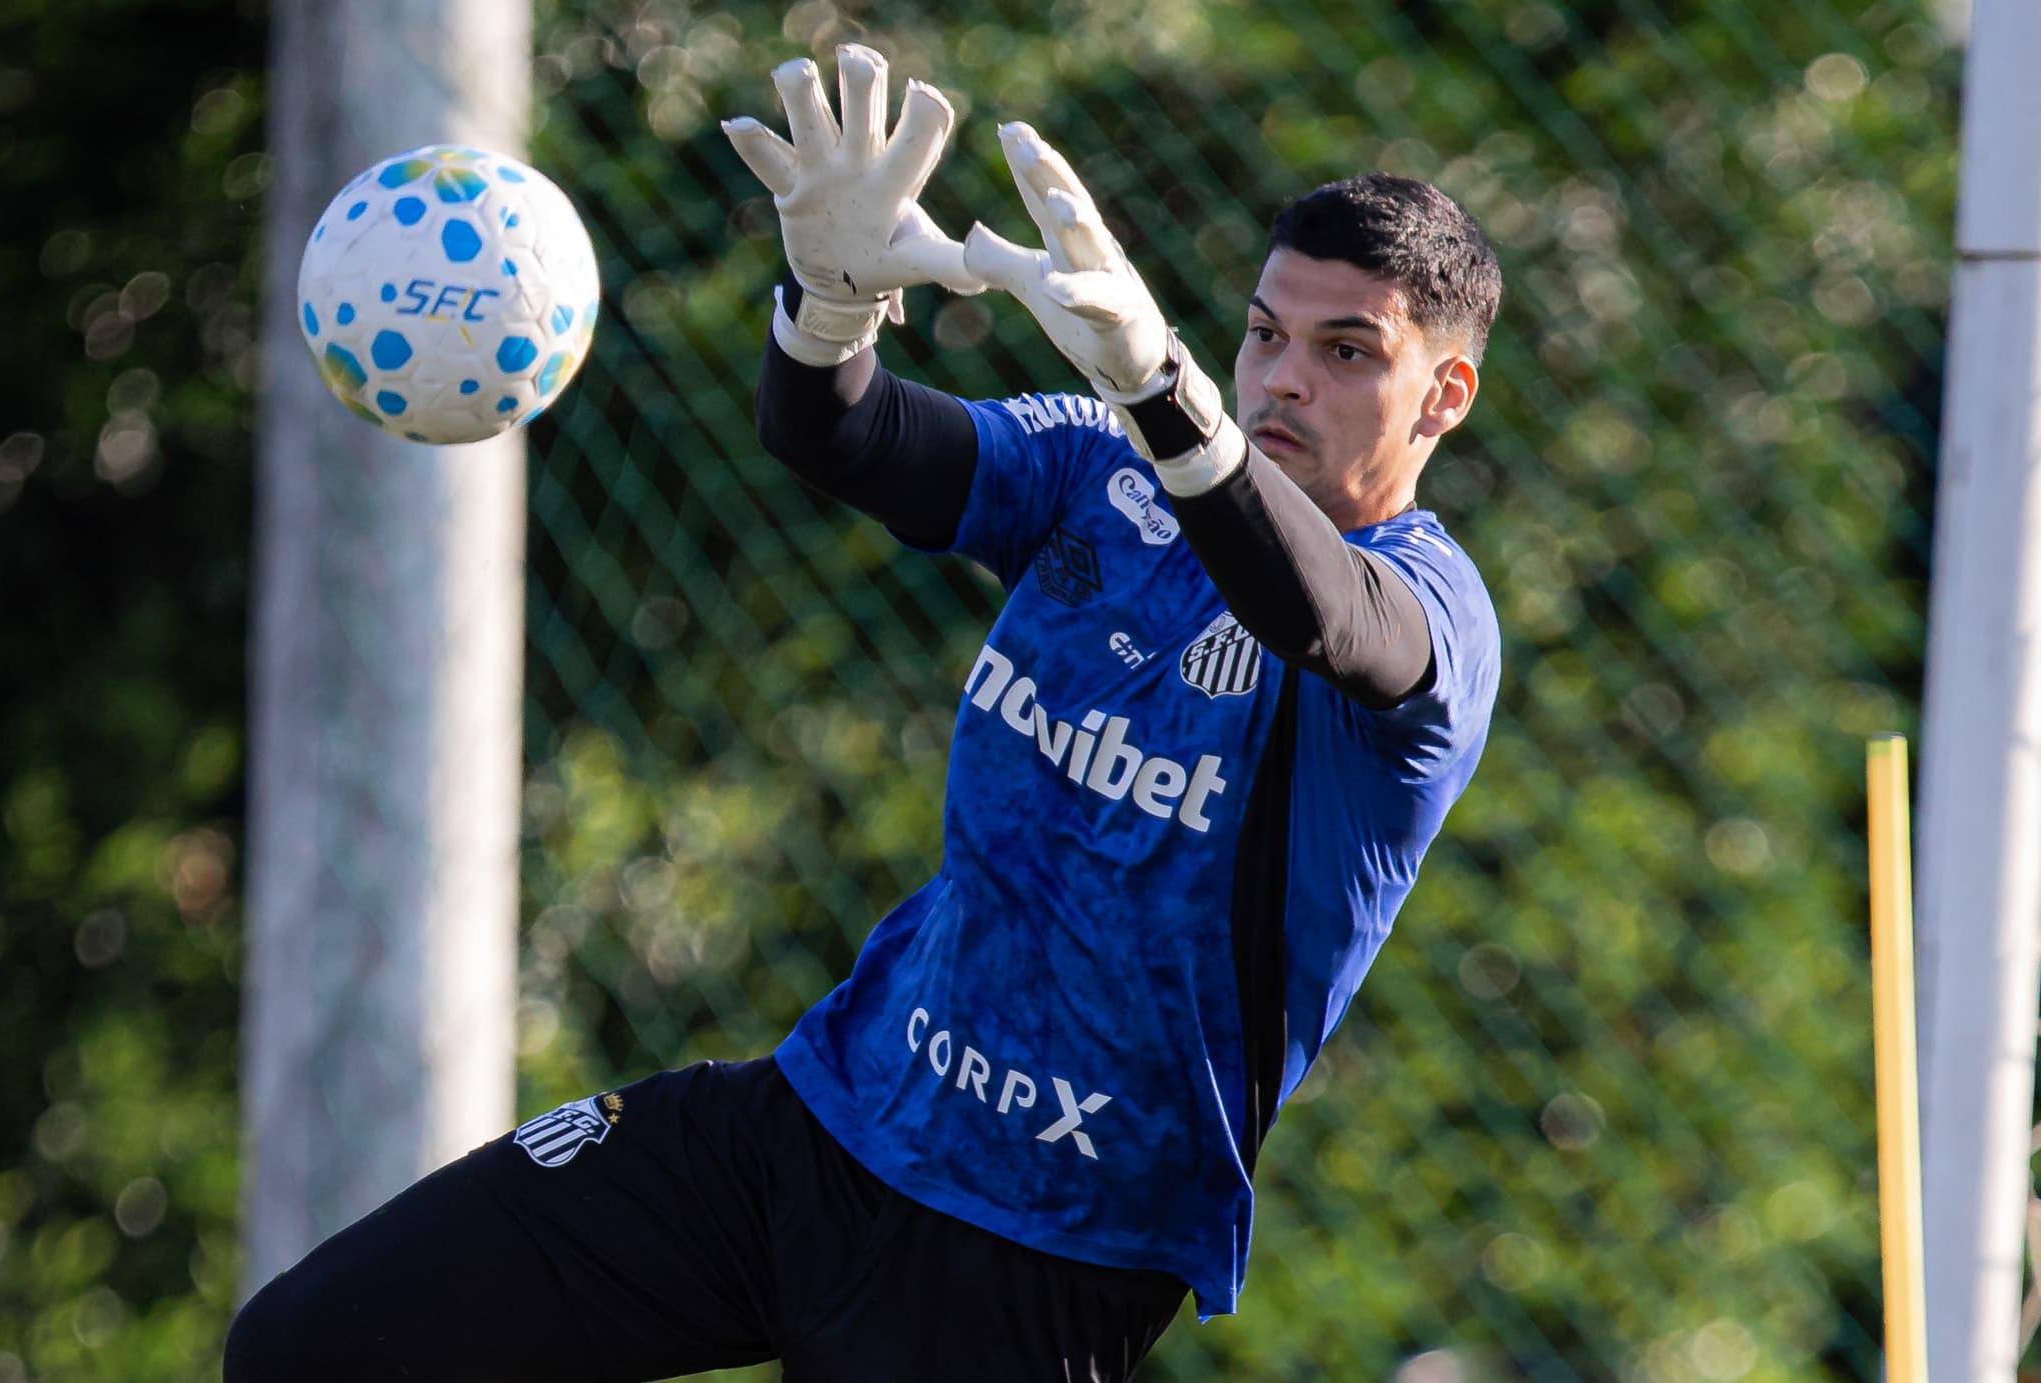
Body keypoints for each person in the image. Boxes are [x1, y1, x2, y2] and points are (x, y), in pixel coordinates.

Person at [223, 42, 1501, 1383]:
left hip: (1035, 1260)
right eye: (1263, 333)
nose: (1284, 376)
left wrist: (1162, 386)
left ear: (1444, 395)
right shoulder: (1100, 477)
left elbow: (1316, 616)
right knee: (313, 1346)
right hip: (813, 1126)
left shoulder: (1432, 618)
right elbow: (837, 435)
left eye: (1347, 351)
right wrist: (827, 301)